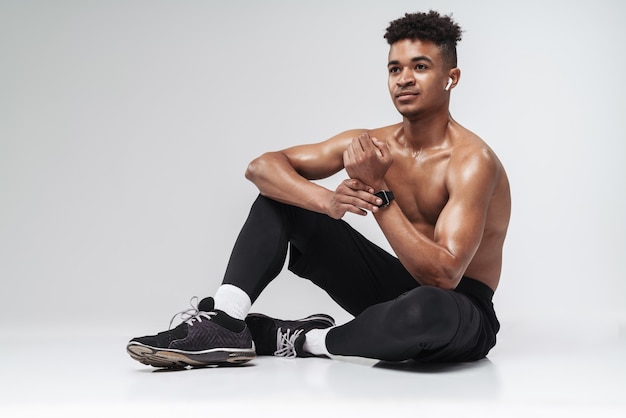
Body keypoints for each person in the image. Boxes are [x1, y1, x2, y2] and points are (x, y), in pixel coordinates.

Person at [127, 10, 511, 368]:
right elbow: (262, 168)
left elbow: (444, 277)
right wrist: (326, 201)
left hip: (460, 309)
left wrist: (378, 193)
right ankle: (225, 322)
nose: (404, 78)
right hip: (397, 288)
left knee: (426, 307)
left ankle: (300, 339)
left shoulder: (471, 161)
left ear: (451, 77)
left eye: (420, 67)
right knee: (283, 199)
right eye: (395, 68)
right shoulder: (371, 143)